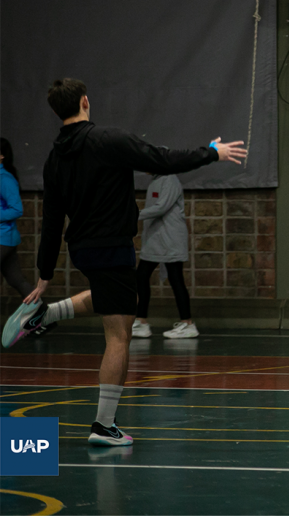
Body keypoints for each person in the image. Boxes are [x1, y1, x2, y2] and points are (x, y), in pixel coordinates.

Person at [1, 78, 247, 447]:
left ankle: (46, 315)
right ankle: (103, 426)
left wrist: (45, 275)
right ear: (85, 101)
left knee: (117, 300)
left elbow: (51, 222)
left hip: (83, 249)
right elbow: (161, 160)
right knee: (119, 335)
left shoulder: (54, 159)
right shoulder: (109, 140)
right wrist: (211, 152)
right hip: (111, 246)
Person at [133, 172, 197, 339]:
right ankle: (141, 321)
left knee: (176, 279)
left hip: (170, 240)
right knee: (141, 276)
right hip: (156, 240)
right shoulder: (155, 181)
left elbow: (161, 207)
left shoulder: (169, 179)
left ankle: (187, 323)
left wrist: (133, 215)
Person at [1, 138, 45, 334]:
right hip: (5, 239)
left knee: (16, 279)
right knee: (16, 279)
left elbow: (17, 209)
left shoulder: (5, 179)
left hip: (3, 239)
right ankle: (43, 320)